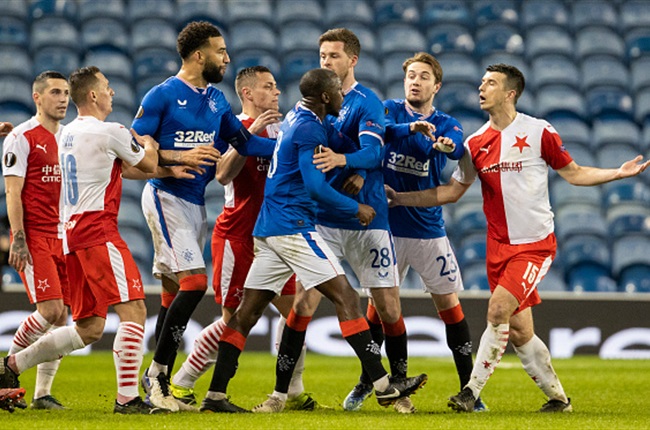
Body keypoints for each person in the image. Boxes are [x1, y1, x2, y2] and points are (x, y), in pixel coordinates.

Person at [386, 63, 650, 413]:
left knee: (497, 310)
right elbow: (451, 193)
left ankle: (471, 392)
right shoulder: (474, 143)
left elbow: (574, 173)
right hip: (498, 248)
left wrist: (617, 172)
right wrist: (400, 198)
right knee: (521, 331)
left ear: (510, 93)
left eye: (491, 83)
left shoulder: (539, 131)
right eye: (481, 82)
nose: (482, 87)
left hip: (535, 245)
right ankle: (559, 400)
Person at [199, 68, 427, 414]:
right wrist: (357, 208)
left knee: (247, 313)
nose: (342, 97)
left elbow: (258, 145)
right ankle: (383, 386)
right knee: (346, 296)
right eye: (337, 91)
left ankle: (215, 395)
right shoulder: (308, 128)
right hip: (293, 228)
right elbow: (315, 187)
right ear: (324, 97)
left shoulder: (297, 119)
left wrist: (398, 133)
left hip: (268, 229)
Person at [0, 66, 184, 414]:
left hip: (69, 235)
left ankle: (10, 367)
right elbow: (144, 162)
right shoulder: (110, 131)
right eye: (108, 87)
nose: (113, 92)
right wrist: (150, 143)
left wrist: (167, 167)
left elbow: (116, 167)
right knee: (134, 310)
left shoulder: (65, 134)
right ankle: (127, 399)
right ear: (95, 95)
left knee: (89, 326)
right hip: (98, 229)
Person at [131, 21, 274, 411]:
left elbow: (245, 143)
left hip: (196, 203)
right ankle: (158, 375)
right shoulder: (162, 95)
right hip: (164, 196)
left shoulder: (215, 100)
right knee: (194, 283)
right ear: (199, 55)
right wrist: (175, 158)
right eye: (220, 51)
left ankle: (155, 382)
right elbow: (132, 151)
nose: (226, 58)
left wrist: (293, 146)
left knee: (174, 292)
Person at [169, 66, 321, 411]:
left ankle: (293, 390)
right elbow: (222, 174)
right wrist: (249, 132)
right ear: (249, 93)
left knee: (299, 311)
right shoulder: (229, 126)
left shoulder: (286, 129)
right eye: (269, 86)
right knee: (232, 319)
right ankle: (182, 382)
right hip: (238, 236)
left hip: (276, 237)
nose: (277, 92)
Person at [276, 27, 409, 414]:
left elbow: (374, 151)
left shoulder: (367, 101)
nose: (326, 62)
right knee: (303, 303)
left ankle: (398, 391)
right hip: (323, 220)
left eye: (333, 56)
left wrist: (346, 162)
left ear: (352, 60)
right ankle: (281, 393)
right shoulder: (314, 104)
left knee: (388, 308)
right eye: (322, 56)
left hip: (368, 218)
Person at [382, 52, 487, 412]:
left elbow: (458, 148)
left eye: (423, 76)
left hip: (428, 231)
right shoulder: (389, 111)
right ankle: (385, 387)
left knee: (449, 307)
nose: (415, 81)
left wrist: (443, 145)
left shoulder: (447, 122)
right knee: (380, 309)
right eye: (411, 75)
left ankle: (470, 390)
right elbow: (377, 133)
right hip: (386, 231)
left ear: (436, 85)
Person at [2, 71, 70, 410]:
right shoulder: (21, 136)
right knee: (50, 310)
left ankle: (43, 393)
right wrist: (18, 238)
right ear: (37, 97)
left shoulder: (71, 138)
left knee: (63, 318)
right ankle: (5, 373)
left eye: (67, 92)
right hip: (37, 236)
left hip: (66, 236)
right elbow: (12, 192)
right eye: (55, 92)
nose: (63, 98)